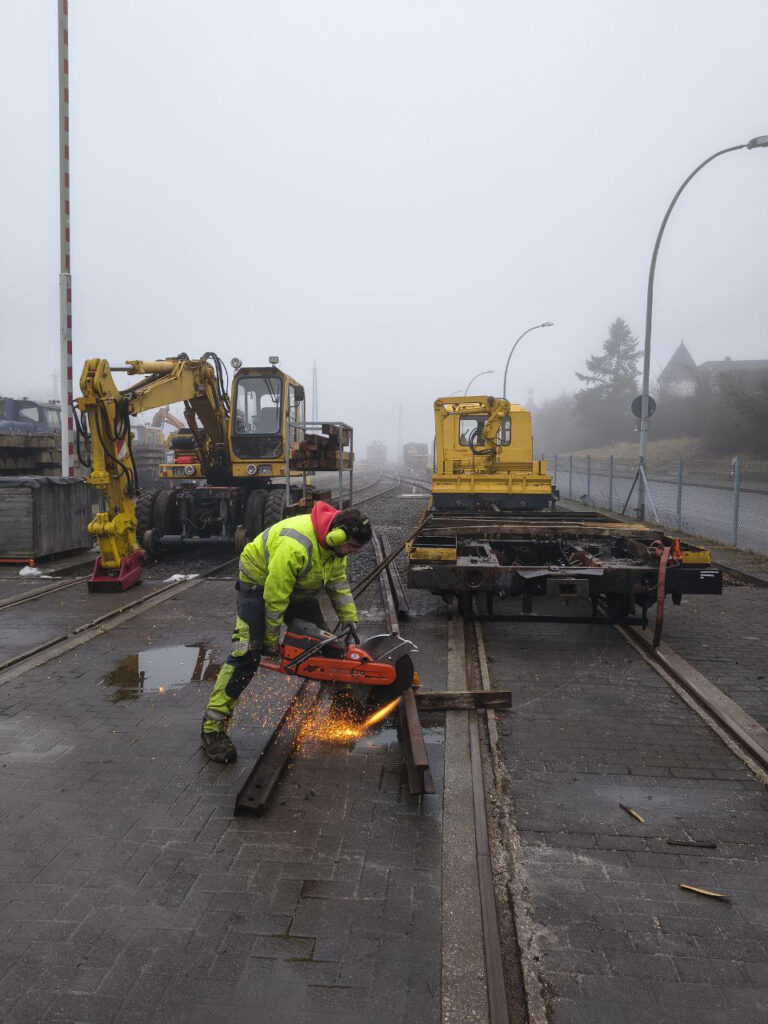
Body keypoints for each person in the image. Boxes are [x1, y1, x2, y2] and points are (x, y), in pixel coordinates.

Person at [201, 501, 373, 762]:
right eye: (352, 547)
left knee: (327, 646)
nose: (354, 553)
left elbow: (338, 583)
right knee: (246, 655)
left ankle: (344, 703)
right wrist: (270, 643)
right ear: (337, 536)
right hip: (259, 587)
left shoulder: (336, 550)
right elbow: (275, 599)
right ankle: (212, 728)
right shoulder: (295, 545)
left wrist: (349, 619)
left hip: (297, 589)